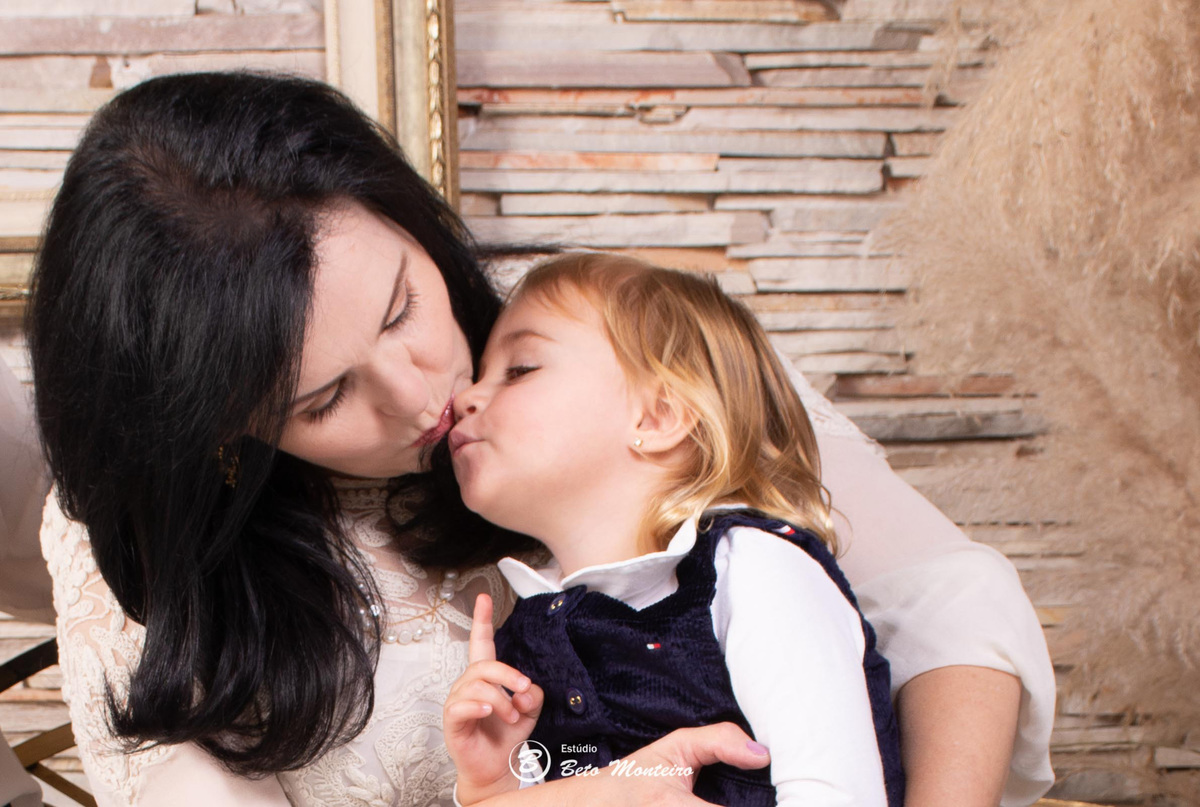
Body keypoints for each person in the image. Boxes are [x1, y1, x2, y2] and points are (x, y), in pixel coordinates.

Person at [19, 71, 1054, 806]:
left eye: (399, 307)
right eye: (325, 399)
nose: (430, 391)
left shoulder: (597, 337)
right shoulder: (142, 532)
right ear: (222, 438)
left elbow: (945, 603)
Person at [442, 254, 903, 806]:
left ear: (657, 417)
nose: (465, 396)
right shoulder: (530, 631)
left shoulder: (753, 570)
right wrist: (495, 787)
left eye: (519, 369)